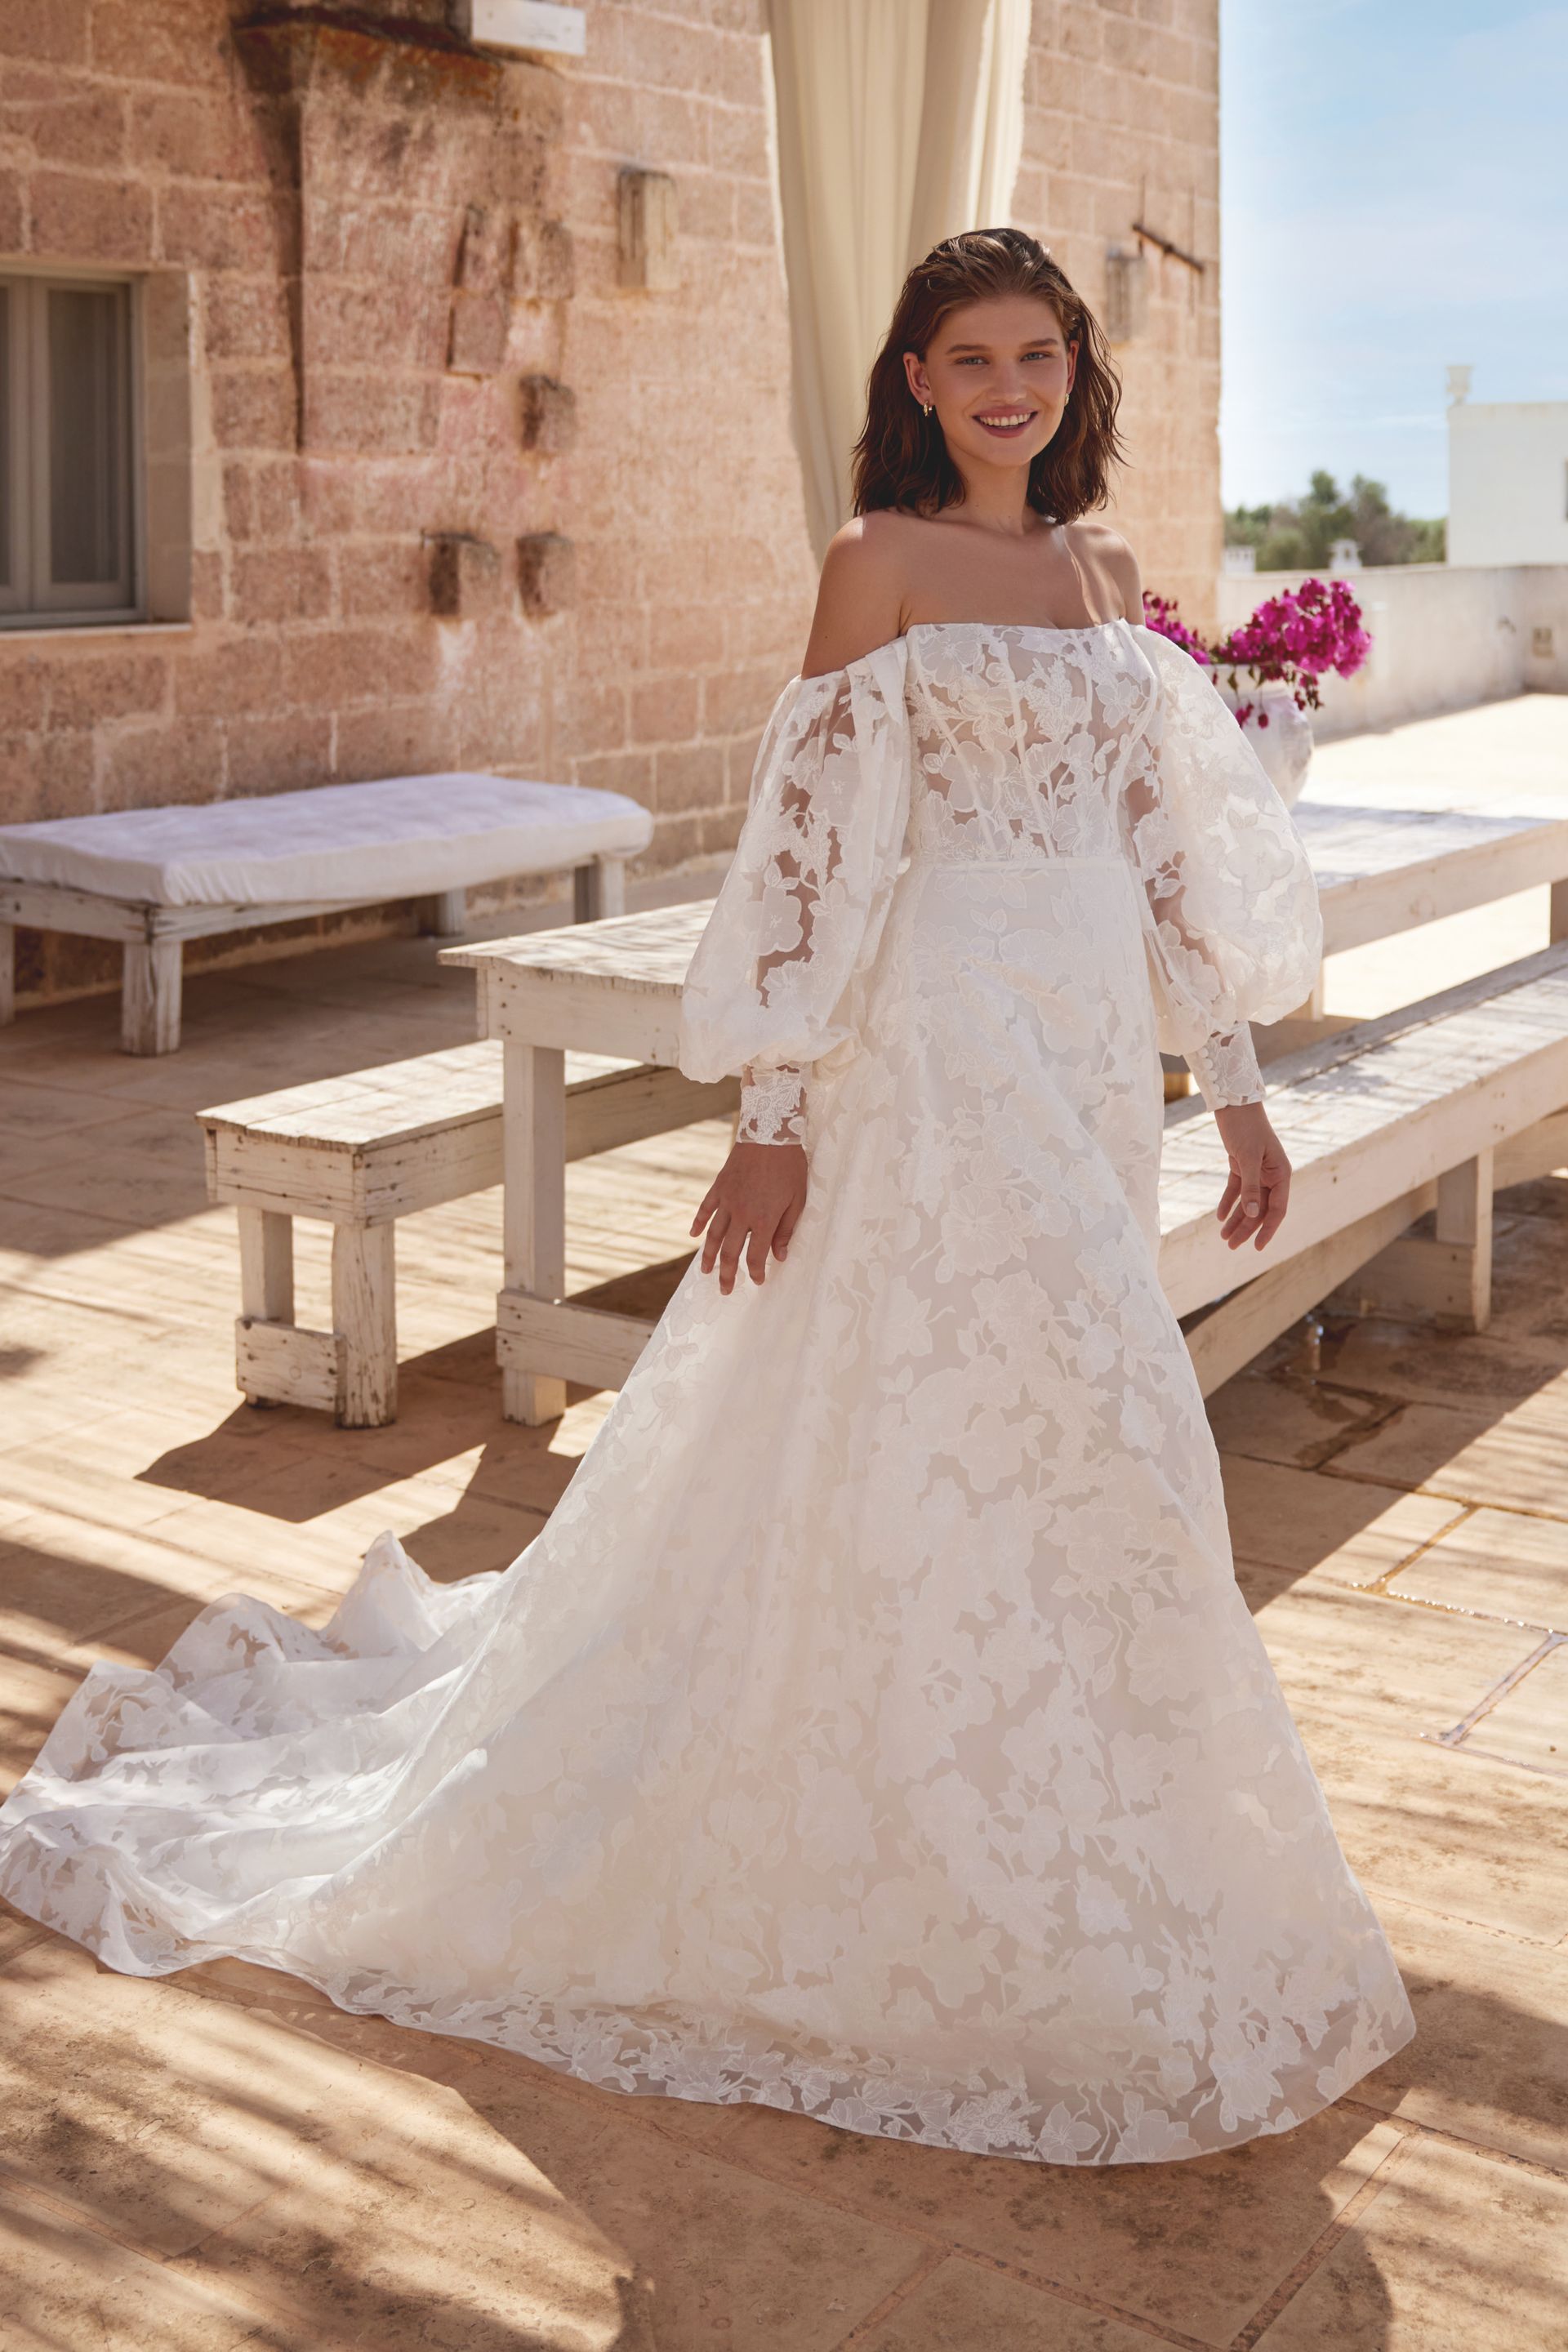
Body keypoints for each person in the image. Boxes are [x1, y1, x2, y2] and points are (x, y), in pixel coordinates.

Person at [0, 229, 1415, 2167]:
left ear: (1076, 372)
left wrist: (1235, 1085)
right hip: (929, 1042)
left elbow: (1164, 847)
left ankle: (1080, 1784)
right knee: (999, 1383)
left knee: (1082, 1413)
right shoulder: (878, 566)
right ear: (914, 378)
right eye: (969, 357)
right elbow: (818, 849)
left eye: (1040, 354)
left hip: (1086, 1048)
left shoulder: (1104, 573)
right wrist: (773, 1107)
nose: (1010, 386)